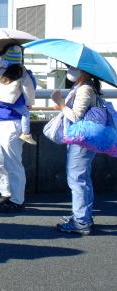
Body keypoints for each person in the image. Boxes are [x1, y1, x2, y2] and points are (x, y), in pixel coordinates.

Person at [0, 45, 36, 213]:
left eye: (4, 56)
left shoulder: (25, 75)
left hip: (11, 123)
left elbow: (28, 100)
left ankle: (17, 200)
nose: (2, 59)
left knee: (12, 163)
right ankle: (6, 194)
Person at [51, 67, 101, 235]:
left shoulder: (85, 88)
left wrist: (60, 103)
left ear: (85, 72)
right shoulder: (82, 87)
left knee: (77, 180)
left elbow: (75, 116)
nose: (70, 71)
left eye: (74, 68)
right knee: (82, 179)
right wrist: (61, 105)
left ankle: (81, 222)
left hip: (81, 140)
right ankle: (83, 217)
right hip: (80, 139)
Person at [0, 64, 36, 145]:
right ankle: (25, 134)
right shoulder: (24, 75)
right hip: (11, 113)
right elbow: (29, 90)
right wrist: (29, 103)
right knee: (26, 113)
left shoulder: (0, 72)